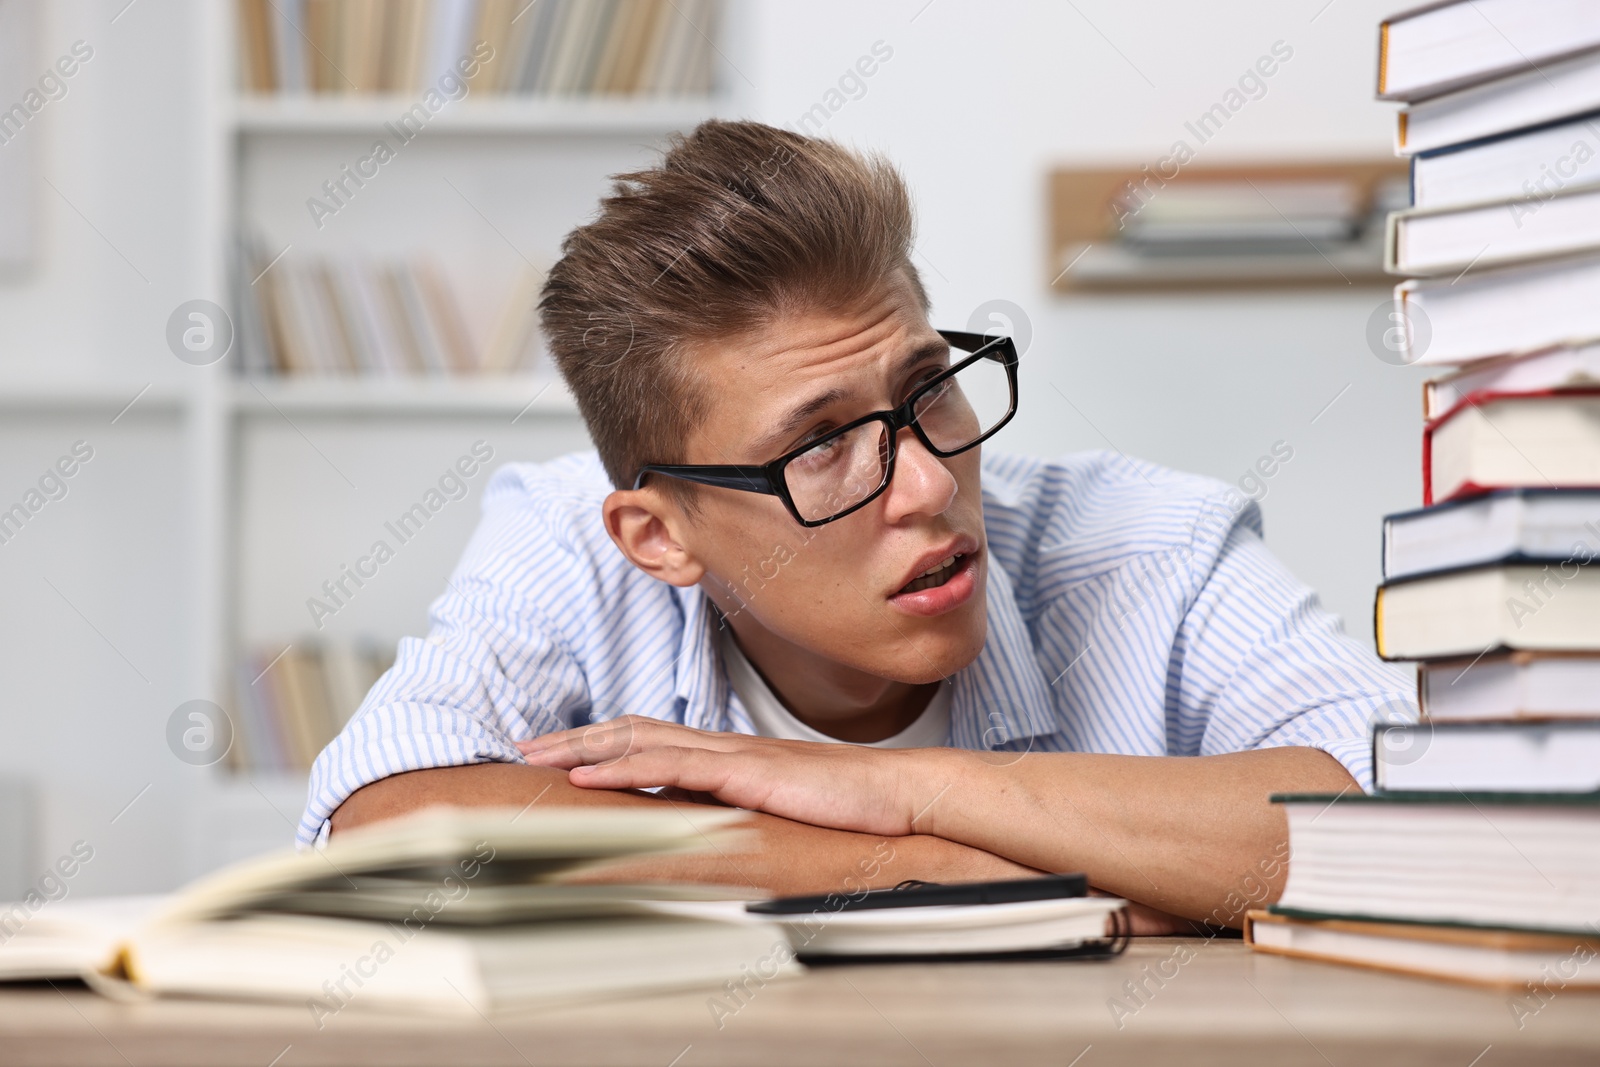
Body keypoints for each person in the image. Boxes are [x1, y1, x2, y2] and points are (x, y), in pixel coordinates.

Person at [302, 120, 1414, 931]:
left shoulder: (1148, 544)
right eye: (818, 444)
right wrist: (931, 869)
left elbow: (1415, 824)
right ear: (658, 534)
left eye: (929, 385)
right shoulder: (569, 543)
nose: (927, 485)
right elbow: (389, 821)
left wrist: (904, 787)